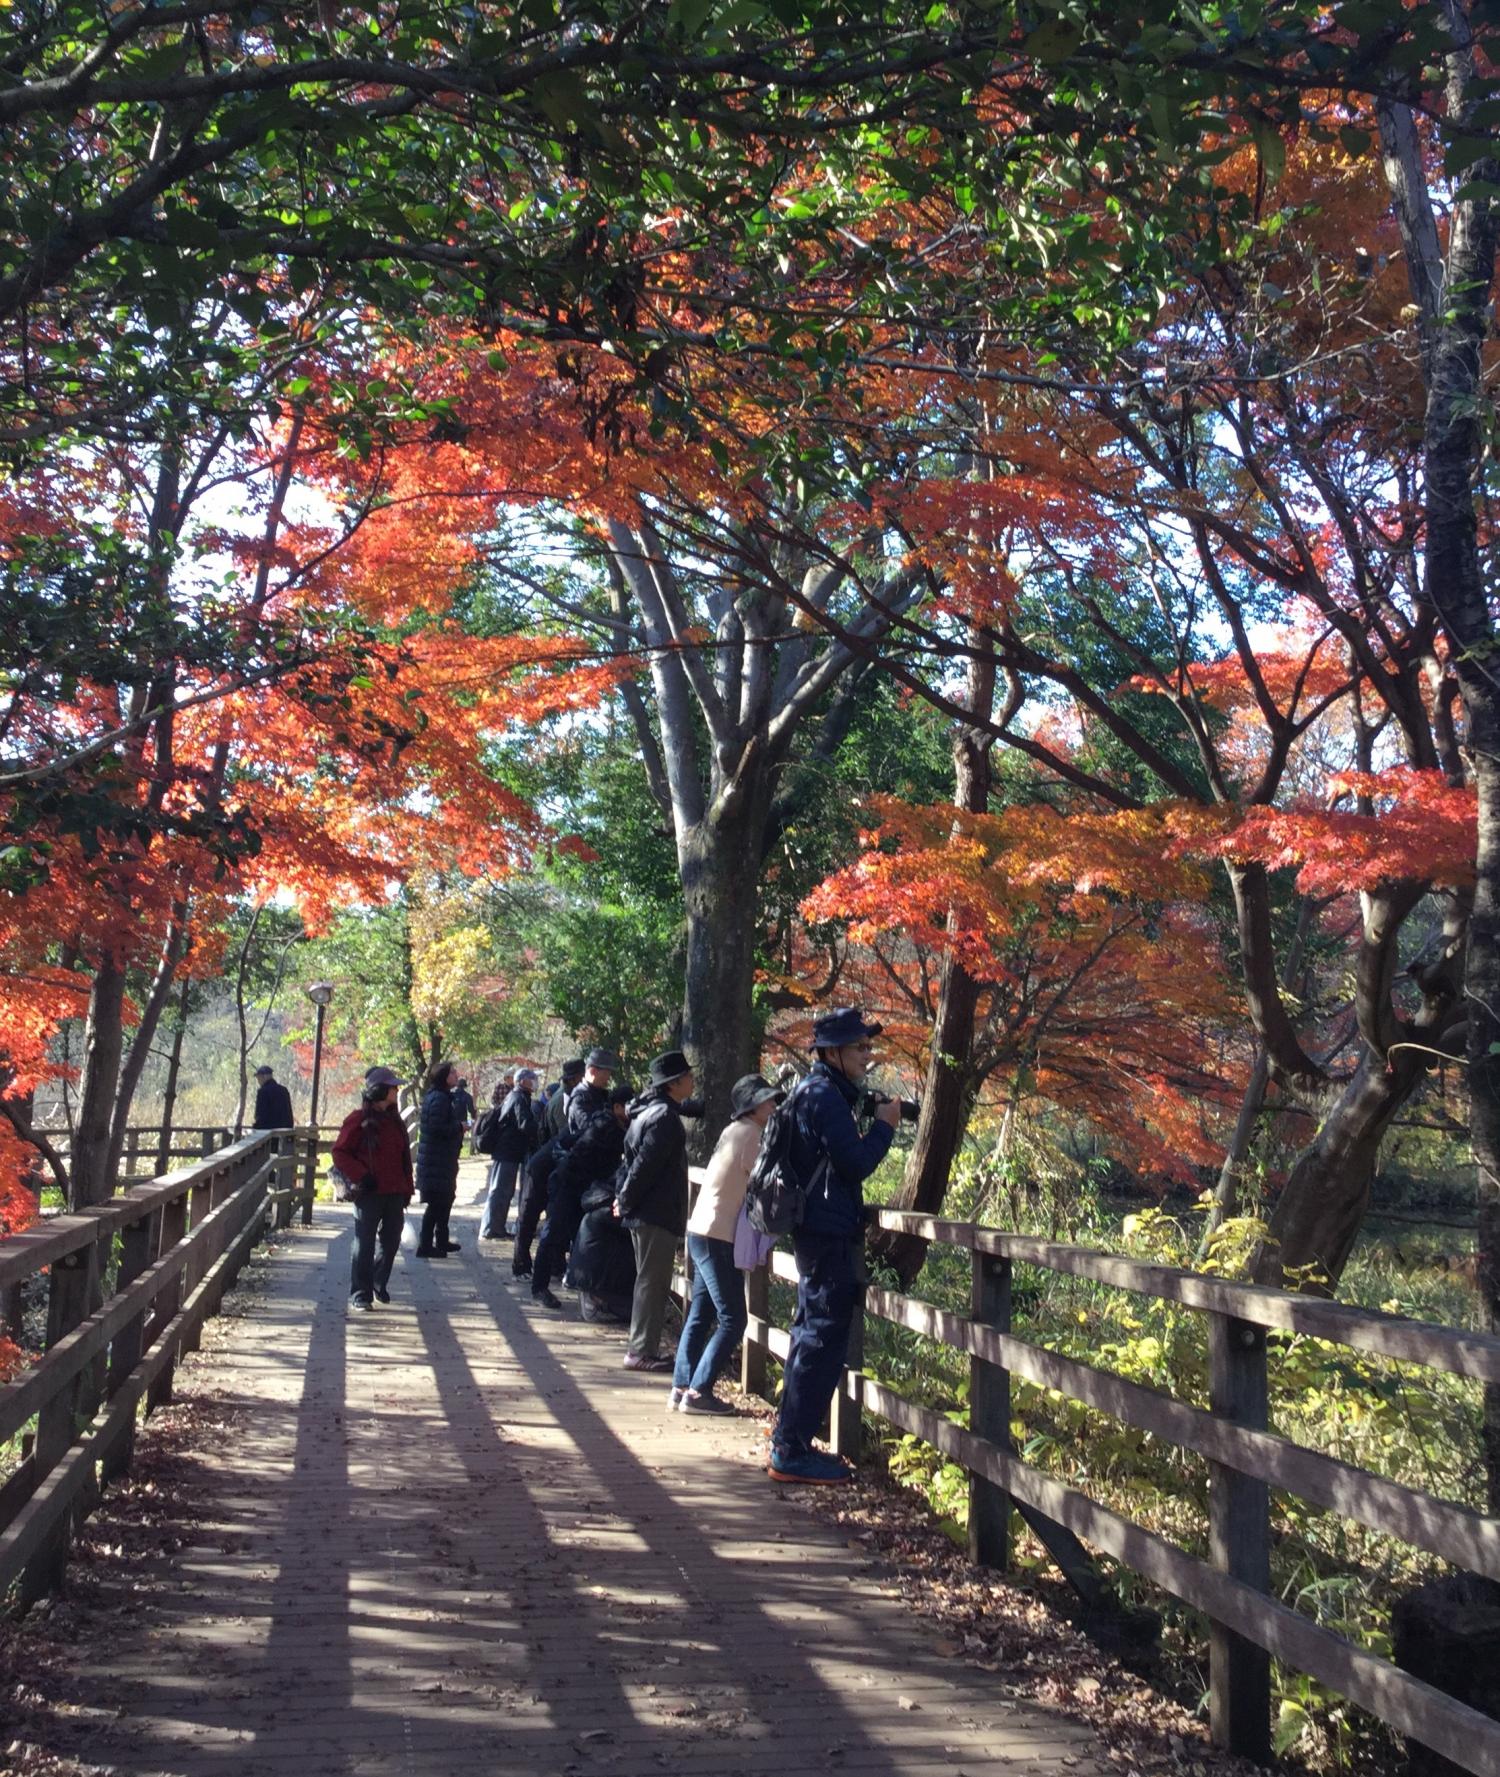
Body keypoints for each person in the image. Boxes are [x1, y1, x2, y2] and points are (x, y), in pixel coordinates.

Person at [768, 1007, 899, 1484]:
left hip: (818, 1231)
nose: (867, 1054)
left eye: (867, 1046)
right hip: (826, 1235)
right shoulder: (824, 1097)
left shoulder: (819, 1092)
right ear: (831, 1053)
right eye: (859, 1047)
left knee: (811, 1335)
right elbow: (857, 1163)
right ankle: (791, 1450)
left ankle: (790, 1440)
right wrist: (886, 1125)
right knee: (820, 1338)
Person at [670, 1074, 780, 1413]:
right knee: (734, 1318)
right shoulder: (752, 1135)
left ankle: (681, 1386)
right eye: (767, 1100)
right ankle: (699, 1392)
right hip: (717, 1235)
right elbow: (767, 1181)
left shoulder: (732, 1131)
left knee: (701, 1313)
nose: (774, 1104)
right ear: (753, 1105)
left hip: (702, 1229)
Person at [615, 1050, 697, 1373]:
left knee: (649, 1280)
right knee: (653, 1281)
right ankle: (641, 1351)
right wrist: (625, 1198)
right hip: (655, 1212)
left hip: (647, 1211)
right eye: (688, 1076)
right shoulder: (663, 1118)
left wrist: (624, 1197)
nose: (692, 1080)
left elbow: (632, 1164)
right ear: (673, 1083)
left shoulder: (646, 1113)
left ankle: (643, 1347)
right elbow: (645, 1167)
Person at [532, 1084, 631, 1308]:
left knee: (579, 1236)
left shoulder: (609, 1122)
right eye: (629, 1107)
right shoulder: (607, 1125)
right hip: (568, 1184)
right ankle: (539, 1287)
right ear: (617, 1107)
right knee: (553, 1233)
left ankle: (578, 1284)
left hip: (585, 1187)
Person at [334, 1066, 414, 1311]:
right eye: (392, 1087)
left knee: (391, 1242)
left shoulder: (395, 1121)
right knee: (364, 1243)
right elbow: (339, 1152)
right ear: (381, 1090)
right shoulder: (358, 1119)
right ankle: (360, 1293)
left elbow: (404, 1158)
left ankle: (378, 1281)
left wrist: (407, 1189)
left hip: (394, 1192)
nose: (397, 1090)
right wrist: (362, 1175)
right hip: (369, 1192)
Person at [480, 1068, 541, 1239]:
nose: (535, 1081)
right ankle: (491, 1228)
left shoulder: (518, 1097)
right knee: (500, 1190)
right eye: (532, 1078)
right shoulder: (518, 1098)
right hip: (507, 1151)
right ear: (522, 1081)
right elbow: (524, 1124)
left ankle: (495, 1227)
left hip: (510, 1151)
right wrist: (540, 1131)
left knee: (503, 1190)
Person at [415, 1058, 466, 1258]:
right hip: (436, 1160)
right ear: (445, 1077)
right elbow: (436, 1129)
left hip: (441, 1159)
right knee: (437, 1203)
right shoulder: (439, 1099)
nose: (457, 1075)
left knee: (445, 1200)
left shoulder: (442, 1097)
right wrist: (459, 1128)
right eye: (453, 1073)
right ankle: (425, 1244)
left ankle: (441, 1240)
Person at [511, 1127, 570, 1279]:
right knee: (528, 1220)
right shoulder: (574, 1134)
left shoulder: (570, 1131)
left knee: (549, 1222)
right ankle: (521, 1266)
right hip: (539, 1174)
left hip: (549, 1174)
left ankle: (555, 1266)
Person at [567, 1048, 618, 1134]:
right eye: (606, 1073)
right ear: (593, 1071)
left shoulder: (602, 1094)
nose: (608, 1078)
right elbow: (588, 1128)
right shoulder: (580, 1098)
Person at [546, 1058, 586, 1139]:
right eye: (583, 1076)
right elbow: (565, 1134)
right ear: (572, 1080)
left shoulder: (572, 1095)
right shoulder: (562, 1100)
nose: (585, 1080)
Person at [251, 1064, 294, 1131]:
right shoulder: (284, 1090)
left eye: (259, 1078)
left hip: (268, 1130)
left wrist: (255, 1126)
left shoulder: (263, 1091)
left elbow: (261, 1115)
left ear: (264, 1077)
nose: (258, 1081)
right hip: (286, 1129)